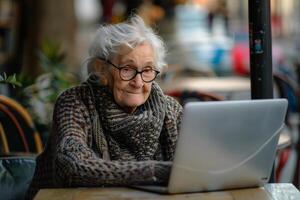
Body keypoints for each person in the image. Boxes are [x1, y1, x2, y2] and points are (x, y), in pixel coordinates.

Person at [26, 15, 183, 199]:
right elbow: (72, 165)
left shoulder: (170, 110)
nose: (138, 82)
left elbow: (196, 167)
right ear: (101, 69)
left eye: (147, 70)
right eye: (127, 69)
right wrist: (156, 170)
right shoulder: (76, 102)